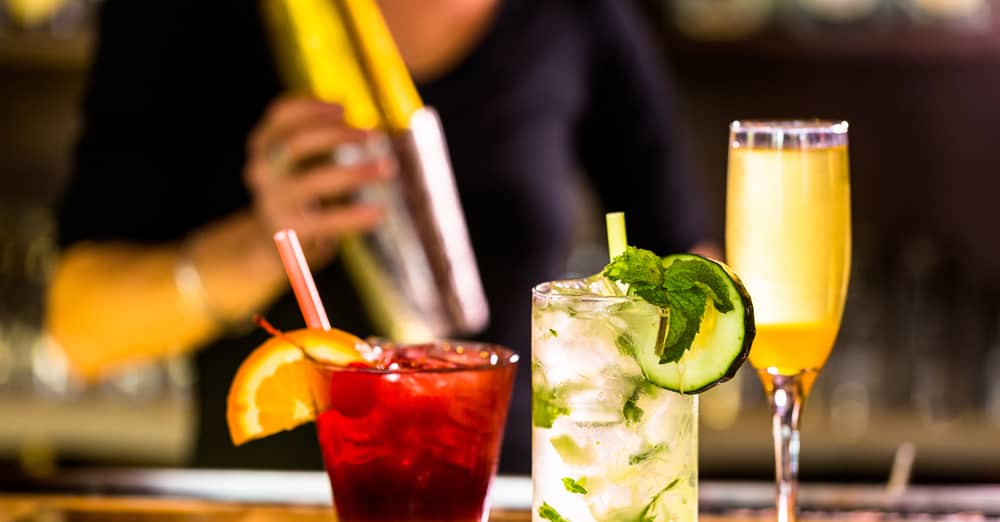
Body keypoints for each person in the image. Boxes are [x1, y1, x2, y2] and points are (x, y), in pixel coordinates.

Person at [47, 0, 713, 474]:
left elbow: (694, 280)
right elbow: (81, 330)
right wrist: (259, 243)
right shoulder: (180, 14)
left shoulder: (576, 16)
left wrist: (610, 379)